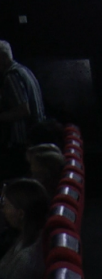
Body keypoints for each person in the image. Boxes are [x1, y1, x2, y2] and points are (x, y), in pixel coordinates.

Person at [0, 40, 46, 177]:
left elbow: (23, 111)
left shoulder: (11, 76)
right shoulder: (24, 70)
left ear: (2, 57)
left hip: (23, 141)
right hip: (35, 137)